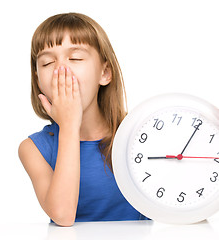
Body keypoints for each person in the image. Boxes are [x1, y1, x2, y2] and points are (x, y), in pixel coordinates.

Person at [18, 12, 148, 227]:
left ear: (105, 73)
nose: (61, 69)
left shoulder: (139, 133)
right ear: (38, 80)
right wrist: (69, 125)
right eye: (48, 62)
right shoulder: (33, 149)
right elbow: (63, 216)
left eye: (75, 58)